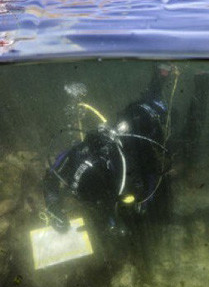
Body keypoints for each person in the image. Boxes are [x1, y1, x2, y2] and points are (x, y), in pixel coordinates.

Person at [42, 65, 175, 238]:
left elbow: (150, 171)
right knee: (144, 105)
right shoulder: (79, 154)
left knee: (154, 111)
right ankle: (160, 78)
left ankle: (161, 78)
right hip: (130, 120)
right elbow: (50, 178)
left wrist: (138, 208)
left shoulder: (121, 162)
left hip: (143, 127)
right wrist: (53, 209)